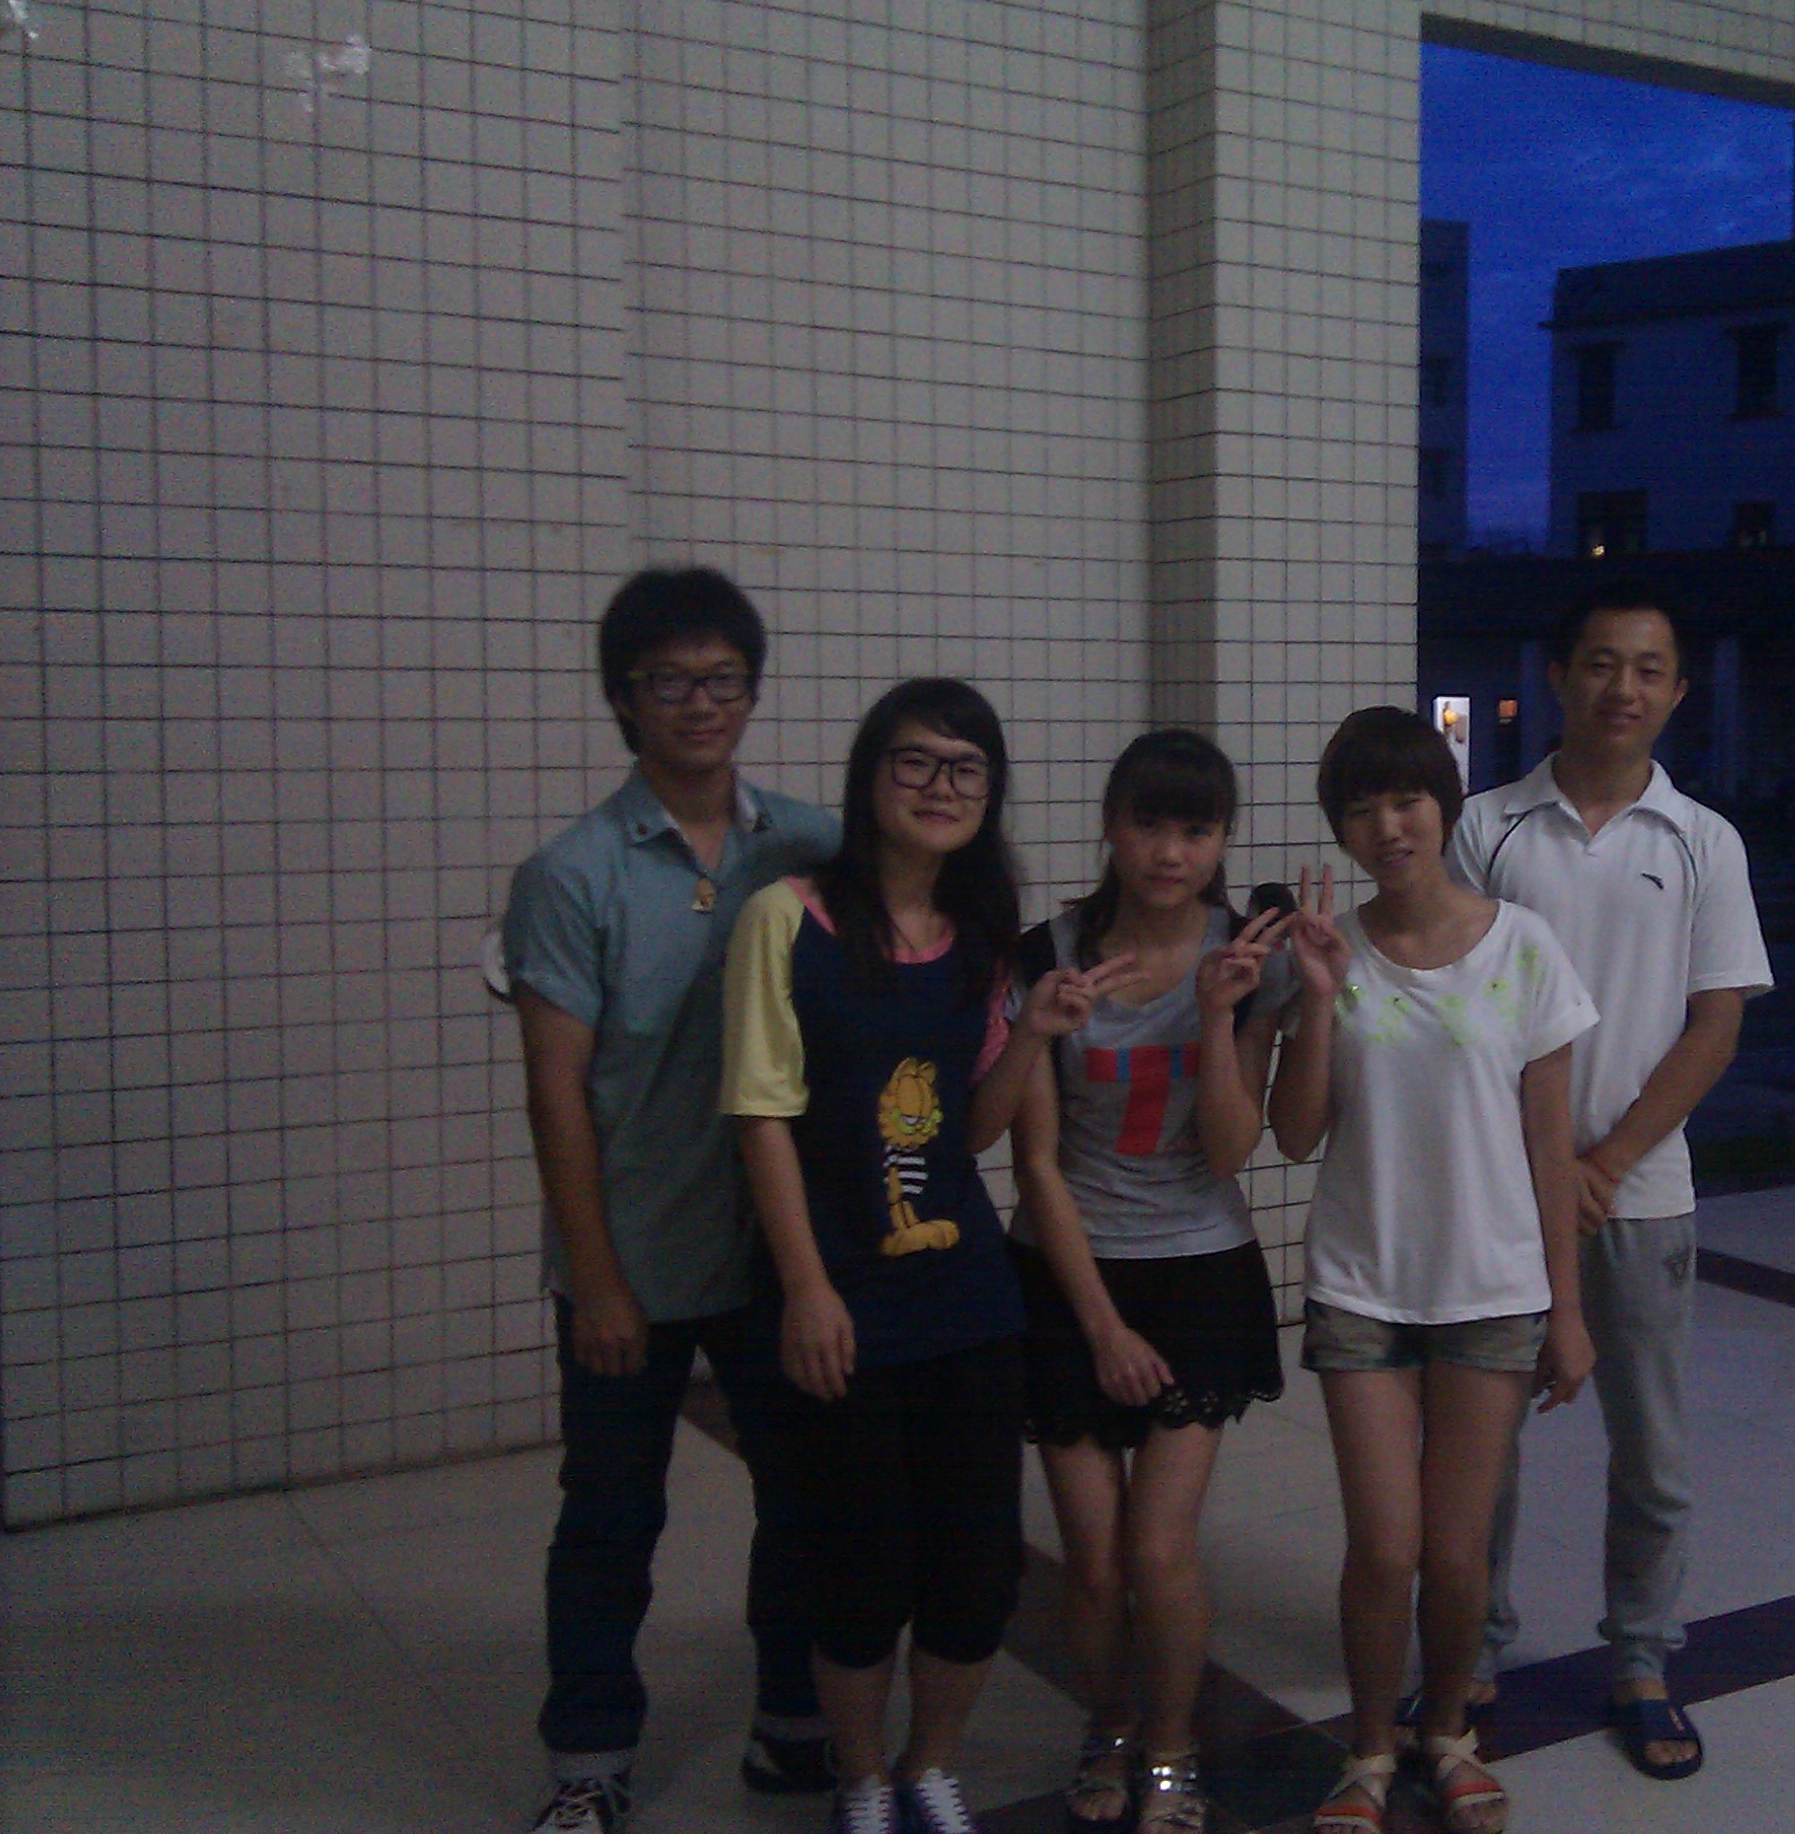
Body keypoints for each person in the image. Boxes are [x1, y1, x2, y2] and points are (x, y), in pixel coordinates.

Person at [719, 677, 1116, 1834]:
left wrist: (1031, 1034)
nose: (941, 786)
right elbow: (760, 1117)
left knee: (977, 1563)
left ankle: (928, 1766)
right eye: (917, 762)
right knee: (859, 1567)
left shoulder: (980, 939)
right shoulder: (786, 919)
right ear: (870, 777)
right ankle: (859, 1779)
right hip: (836, 1295)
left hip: (964, 1298)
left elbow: (973, 1130)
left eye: (966, 768)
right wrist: (805, 1287)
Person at [500, 566, 841, 1834]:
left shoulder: (808, 845)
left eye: (722, 679)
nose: (701, 703)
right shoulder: (571, 873)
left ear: (751, 692)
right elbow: (556, 1093)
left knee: (800, 1497)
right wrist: (594, 1277)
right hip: (630, 1255)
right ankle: (588, 1762)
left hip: (770, 1248)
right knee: (609, 1518)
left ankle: (792, 1723)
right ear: (623, 700)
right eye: (669, 682)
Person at [1451, 582, 1772, 1782]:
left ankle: (1641, 1659)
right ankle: (1470, 1651)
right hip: (1495, 1192)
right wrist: (1542, 1170)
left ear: (1676, 691)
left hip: (1637, 1196)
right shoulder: (1485, 828)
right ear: (1558, 675)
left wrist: (1603, 1162)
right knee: (1481, 1443)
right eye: (1599, 663)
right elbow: (1454, 1007)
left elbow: (1714, 1024)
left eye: (1646, 669)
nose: (1620, 688)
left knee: (1652, 1450)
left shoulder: (1703, 841)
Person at [1268, 707, 1598, 1834]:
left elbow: (1550, 1148)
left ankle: (1447, 1733)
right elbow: (1294, 1134)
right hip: (1362, 1285)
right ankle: (1368, 1751)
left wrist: (1566, 1311)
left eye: (1405, 799)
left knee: (1456, 1557)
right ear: (1341, 829)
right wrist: (1316, 1001)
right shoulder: (1331, 953)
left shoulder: (1525, 947)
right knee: (1384, 1547)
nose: (1388, 826)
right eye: (1360, 808)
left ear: (1443, 805)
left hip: (1491, 1291)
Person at [1006, 730, 1296, 1834]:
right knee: (1091, 1562)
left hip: (1198, 1276)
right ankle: (1111, 1727)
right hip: (1067, 1277)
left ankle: (1171, 1755)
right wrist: (1100, 1328)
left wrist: (1219, 1015)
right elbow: (1036, 1164)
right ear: (1110, 828)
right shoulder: (1048, 956)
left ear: (1220, 841)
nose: (1170, 852)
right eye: (1149, 824)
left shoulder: (1247, 955)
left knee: (1158, 1550)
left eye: (1196, 829)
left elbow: (1228, 1151)